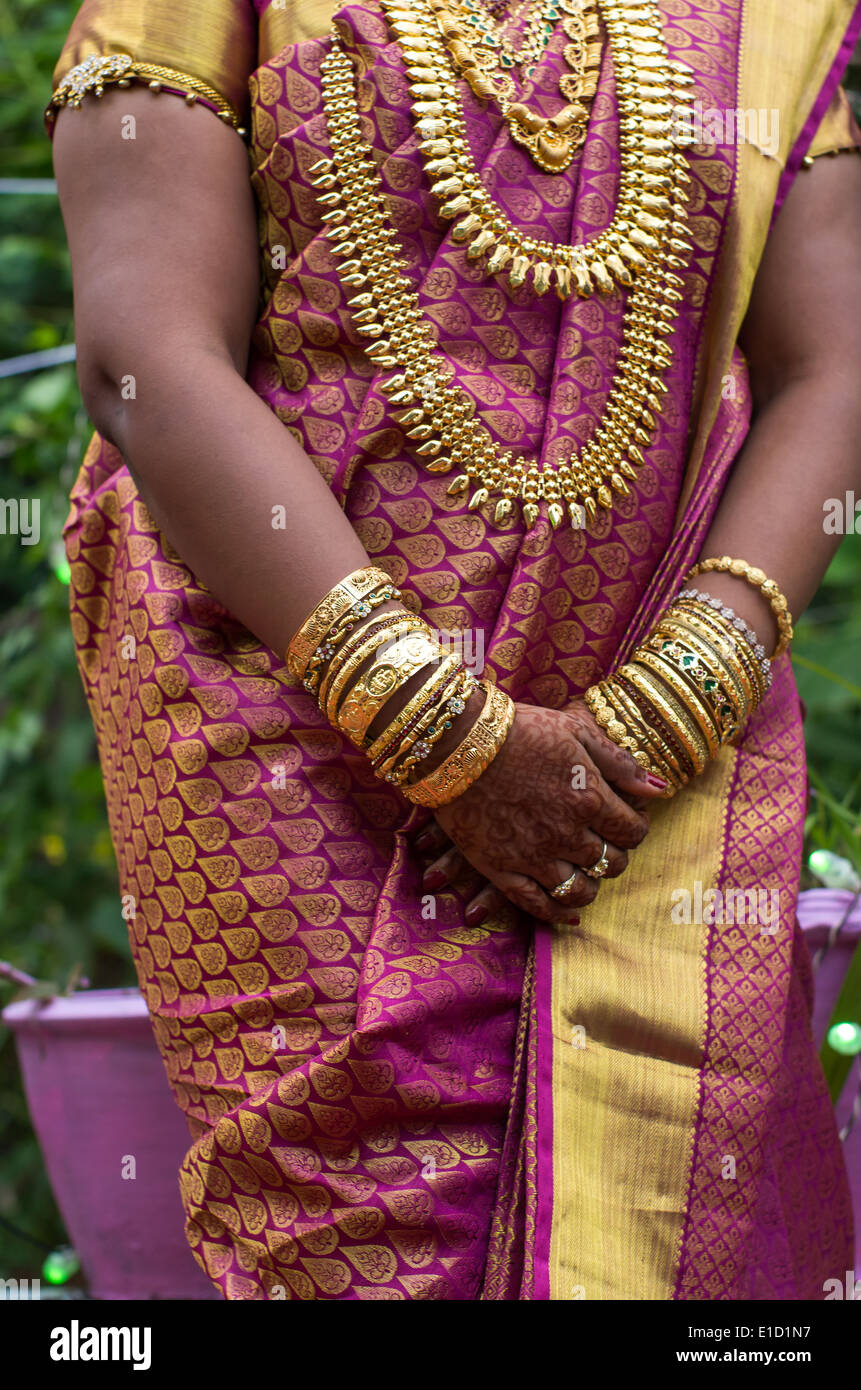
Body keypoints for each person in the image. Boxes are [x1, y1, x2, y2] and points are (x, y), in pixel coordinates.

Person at [46, 0, 861, 1300]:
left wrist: (668, 708)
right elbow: (145, 353)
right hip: (304, 761)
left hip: (644, 784)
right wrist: (444, 735)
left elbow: (834, 362)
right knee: (359, 1247)